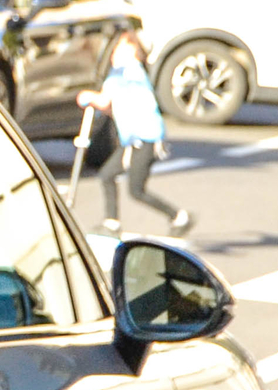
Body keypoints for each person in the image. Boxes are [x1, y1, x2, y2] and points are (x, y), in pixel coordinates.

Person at [78, 30, 193, 237]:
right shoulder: (126, 73)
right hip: (133, 140)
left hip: (145, 139)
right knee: (107, 175)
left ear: (133, 50)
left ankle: (178, 216)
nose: (115, 52)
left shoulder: (128, 71)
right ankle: (111, 222)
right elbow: (113, 105)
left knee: (136, 190)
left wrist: (88, 97)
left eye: (122, 47)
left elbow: (105, 99)